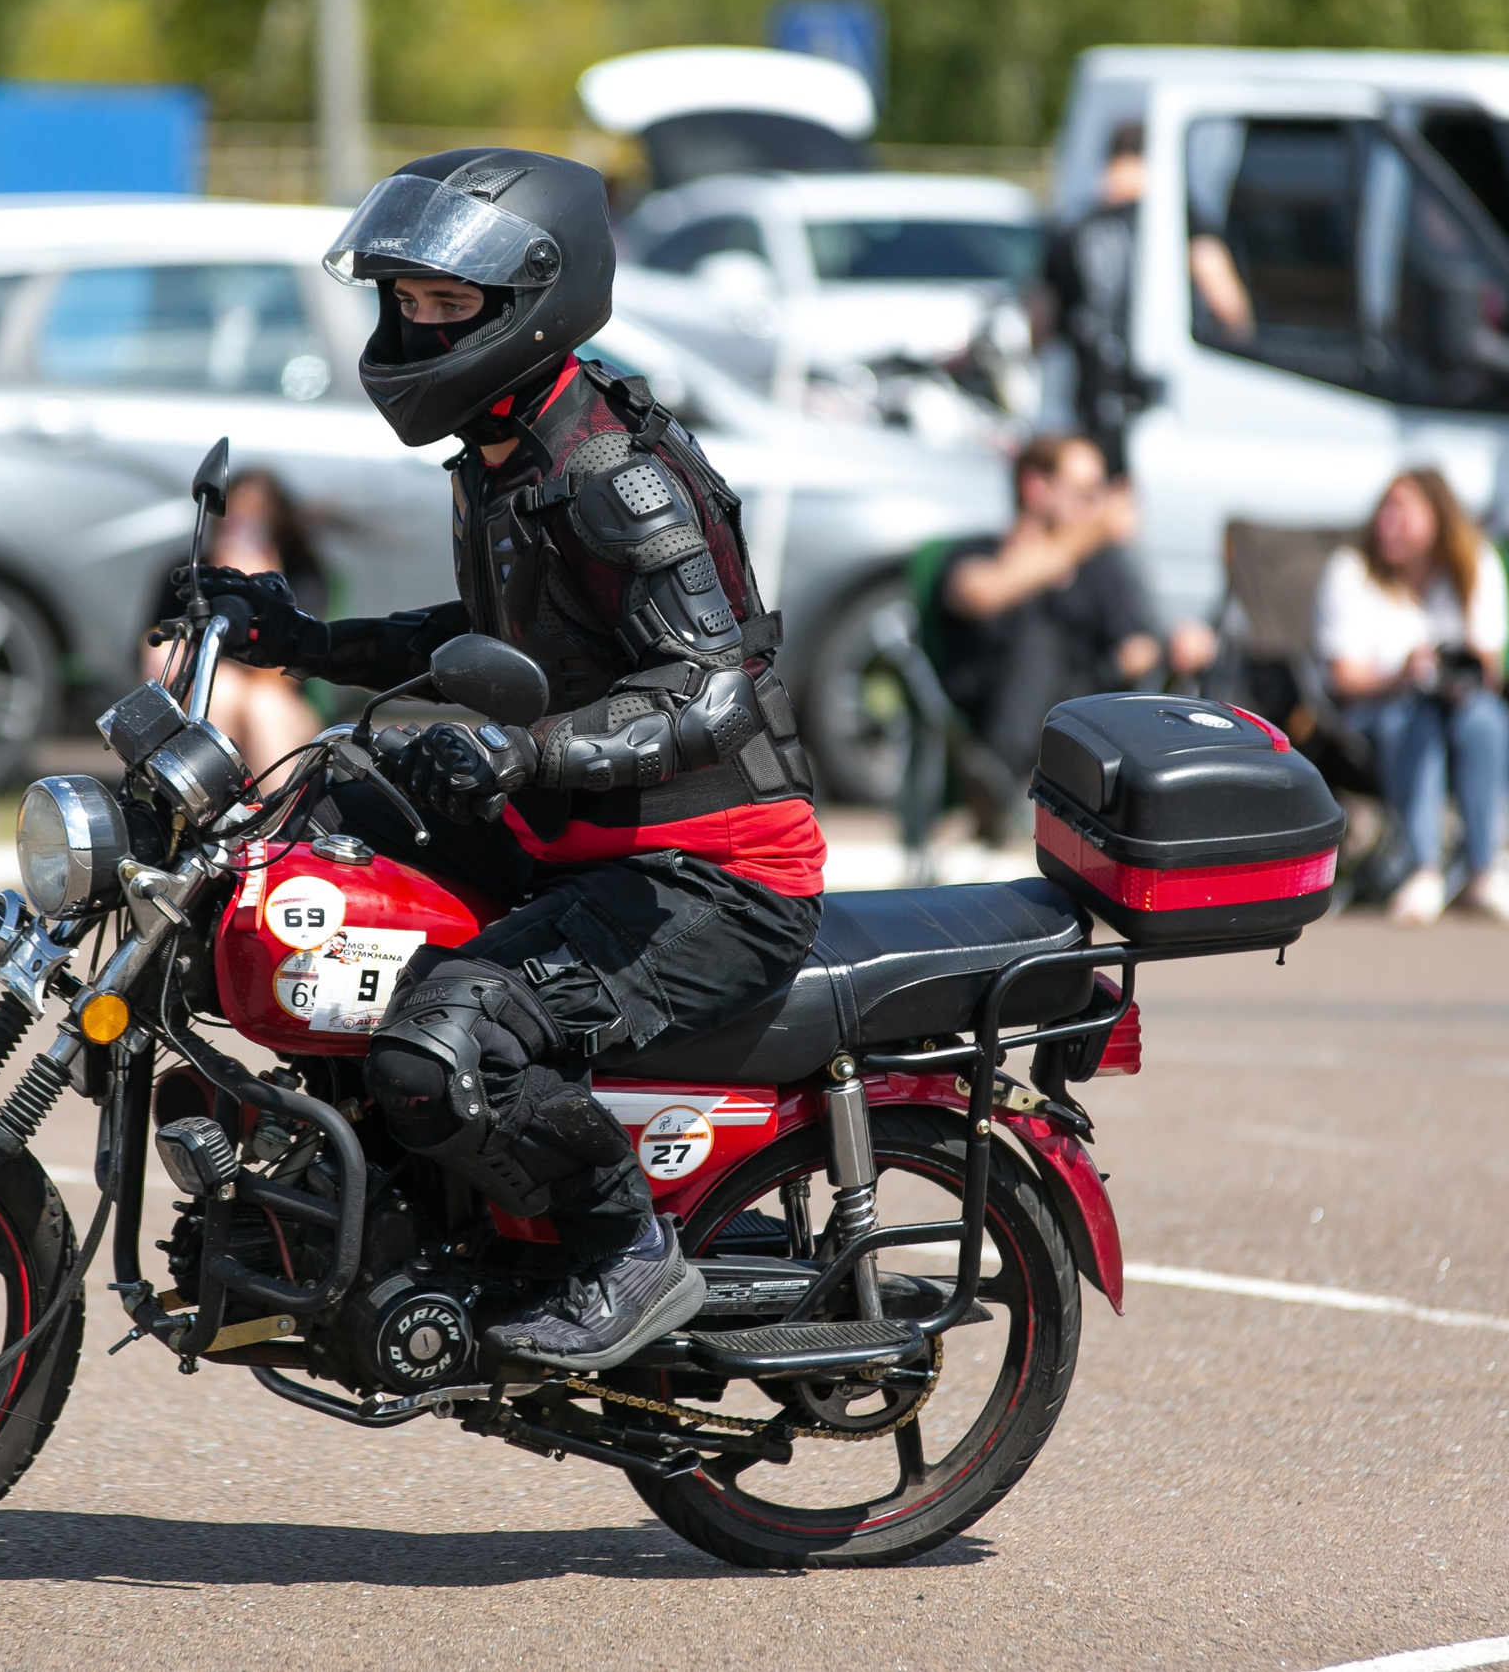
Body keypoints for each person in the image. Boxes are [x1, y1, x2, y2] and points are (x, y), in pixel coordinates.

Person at [184, 149, 823, 1369]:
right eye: (407, 305)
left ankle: (622, 1253)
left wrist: (521, 753)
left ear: (532, 303)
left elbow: (710, 691)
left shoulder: (614, 476)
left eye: (446, 308)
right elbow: (496, 634)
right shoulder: (506, 447)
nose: (417, 334)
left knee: (436, 1048)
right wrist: (303, 636)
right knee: (310, 841)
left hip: (713, 874)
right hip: (580, 831)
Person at [1316, 468, 1509, 926]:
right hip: (1373, 716)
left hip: (1457, 711)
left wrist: (1453, 672)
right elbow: (1342, 678)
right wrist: (1402, 674)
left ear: (1439, 518)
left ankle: (1484, 870)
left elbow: (1489, 668)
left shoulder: (1475, 565)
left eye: (1403, 512)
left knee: (1486, 718)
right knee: (1411, 718)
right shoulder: (1351, 570)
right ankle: (1424, 868)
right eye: (1385, 510)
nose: (1388, 524)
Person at [934, 433, 1214, 780]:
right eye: (1085, 494)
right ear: (1035, 487)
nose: (1095, 507)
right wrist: (1093, 532)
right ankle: (1005, 782)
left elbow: (1134, 642)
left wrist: (1176, 641)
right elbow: (980, 593)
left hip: (1085, 716)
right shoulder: (980, 552)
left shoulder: (1098, 568)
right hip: (992, 717)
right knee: (1042, 637)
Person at [148, 468, 327, 772]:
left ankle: (278, 818)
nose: (241, 531)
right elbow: (154, 646)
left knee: (263, 708)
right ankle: (212, 811)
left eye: (254, 521)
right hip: (208, 695)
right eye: (234, 519)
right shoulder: (189, 572)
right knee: (223, 690)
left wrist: (263, 592)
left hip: (282, 701)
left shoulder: (298, 578)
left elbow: (280, 676)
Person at [1037, 125, 1147, 474]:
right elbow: (1226, 303)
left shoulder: (1077, 225)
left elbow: (1040, 322)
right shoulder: (1174, 221)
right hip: (1157, 400)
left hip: (1093, 403)